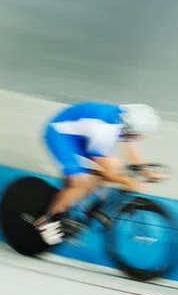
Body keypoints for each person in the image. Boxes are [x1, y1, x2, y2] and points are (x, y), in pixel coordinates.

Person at [33, 102, 168, 245]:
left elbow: (130, 150)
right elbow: (107, 173)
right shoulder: (105, 130)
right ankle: (46, 221)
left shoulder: (124, 121)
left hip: (82, 135)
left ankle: (68, 204)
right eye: (141, 134)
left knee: (105, 173)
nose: (142, 137)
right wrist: (128, 181)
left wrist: (147, 172)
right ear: (134, 130)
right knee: (80, 181)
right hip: (60, 134)